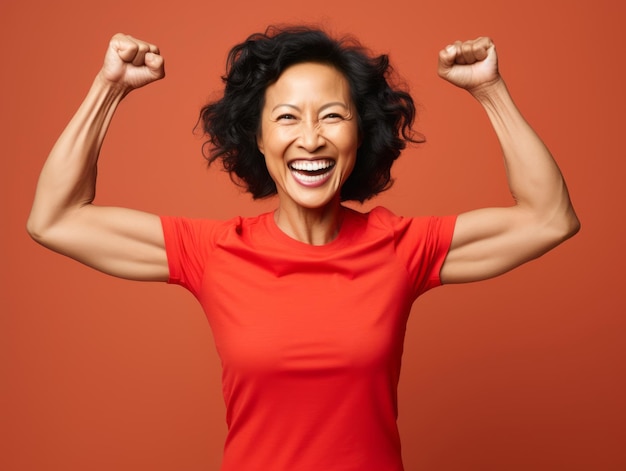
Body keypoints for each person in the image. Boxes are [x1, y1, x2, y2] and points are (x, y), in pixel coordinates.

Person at [27, 26, 579, 471]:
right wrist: (109, 87)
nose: (310, 138)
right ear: (259, 138)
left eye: (332, 116)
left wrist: (489, 90)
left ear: (360, 135)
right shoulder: (214, 252)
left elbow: (548, 218)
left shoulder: (402, 248)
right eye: (287, 117)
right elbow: (56, 218)